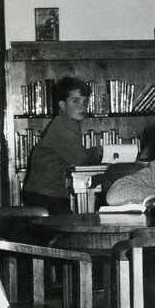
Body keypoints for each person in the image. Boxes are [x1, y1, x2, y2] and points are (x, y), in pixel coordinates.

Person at [22, 77, 103, 215]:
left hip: (43, 193)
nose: (82, 106)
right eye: (76, 101)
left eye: (85, 101)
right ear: (63, 105)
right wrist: (101, 151)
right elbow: (80, 159)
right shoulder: (63, 126)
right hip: (44, 196)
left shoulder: (67, 123)